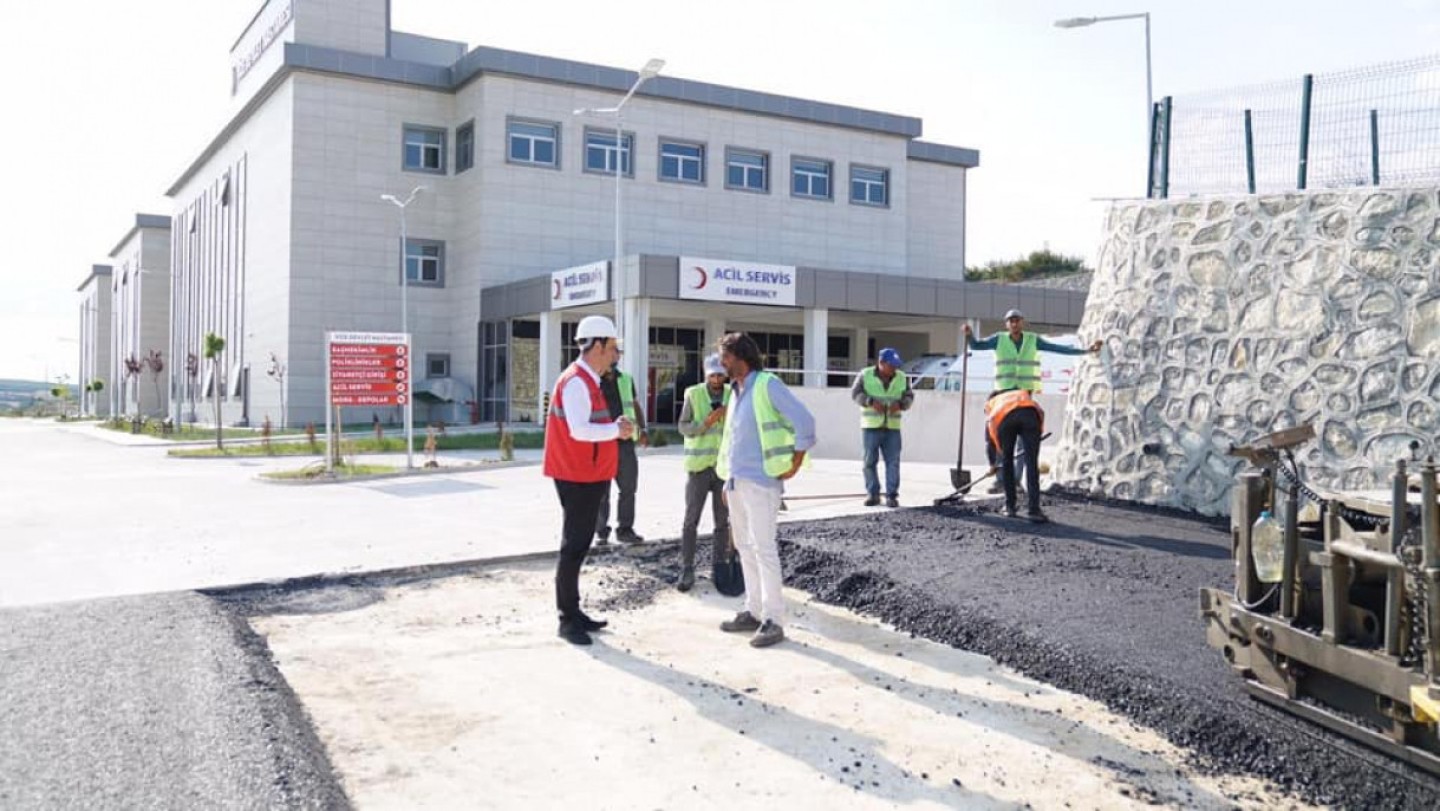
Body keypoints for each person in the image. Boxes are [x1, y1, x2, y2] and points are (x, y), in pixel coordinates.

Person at [714, 332, 816, 648]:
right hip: (737, 482)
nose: (721, 362)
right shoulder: (735, 391)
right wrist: (728, 480)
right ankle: (754, 611)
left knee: (764, 549)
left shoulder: (767, 385)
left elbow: (805, 421)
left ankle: (774, 620)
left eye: (725, 356)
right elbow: (734, 438)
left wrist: (795, 462)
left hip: (761, 483)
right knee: (744, 547)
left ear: (740, 357)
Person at [543, 315, 634, 646]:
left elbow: (588, 424)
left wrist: (613, 426)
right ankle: (567, 620)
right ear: (597, 345)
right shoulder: (577, 382)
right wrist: (616, 430)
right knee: (574, 546)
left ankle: (574, 612)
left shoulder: (588, 379)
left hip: (586, 473)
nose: (616, 354)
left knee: (579, 545)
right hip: (577, 474)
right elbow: (579, 430)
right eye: (613, 347)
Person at [963, 309, 1100, 495]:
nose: (1014, 324)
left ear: (1022, 322)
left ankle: (1015, 480)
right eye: (1011, 321)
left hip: (1023, 395)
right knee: (995, 436)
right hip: (1003, 394)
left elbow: (1059, 349)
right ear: (1006, 324)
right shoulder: (999, 339)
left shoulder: (1032, 340)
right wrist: (969, 335)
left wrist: (1086, 351)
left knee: (1022, 439)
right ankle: (1000, 478)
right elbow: (976, 346)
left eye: (1017, 320)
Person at [675, 353, 730, 592]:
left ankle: (719, 566)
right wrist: (706, 423)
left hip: (722, 468)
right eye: (712, 375)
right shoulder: (694, 394)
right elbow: (683, 427)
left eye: (720, 375)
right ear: (706, 374)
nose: (716, 380)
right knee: (691, 520)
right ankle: (687, 568)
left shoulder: (732, 394)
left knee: (722, 521)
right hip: (699, 468)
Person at [595, 347, 647, 546]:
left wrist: (642, 429)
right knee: (601, 490)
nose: (615, 355)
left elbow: (634, 404)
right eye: (613, 351)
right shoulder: (593, 380)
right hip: (602, 442)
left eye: (617, 352)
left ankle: (625, 529)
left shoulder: (625, 379)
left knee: (628, 487)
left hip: (625, 442)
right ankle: (601, 531)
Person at [850, 347, 913, 508]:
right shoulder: (865, 375)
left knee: (893, 462)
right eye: (891, 365)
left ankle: (891, 495)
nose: (894, 369)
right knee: (869, 462)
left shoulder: (902, 377)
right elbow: (855, 394)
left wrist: (901, 405)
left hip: (892, 427)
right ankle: (873, 494)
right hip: (871, 426)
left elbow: (909, 396)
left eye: (896, 365)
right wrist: (870, 402)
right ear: (881, 363)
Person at [984, 388, 1047, 523]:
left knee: (1007, 462)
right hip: (1030, 416)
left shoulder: (992, 406)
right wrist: (1037, 435)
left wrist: (994, 463)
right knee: (1032, 463)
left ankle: (1010, 507)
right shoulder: (1020, 395)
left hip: (1006, 420)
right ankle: (1034, 511)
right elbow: (1040, 412)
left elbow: (991, 441)